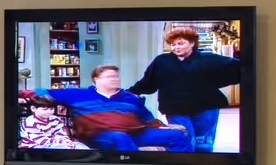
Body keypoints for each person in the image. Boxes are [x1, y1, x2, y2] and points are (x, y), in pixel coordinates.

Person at [129, 26, 241, 152]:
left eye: (180, 43)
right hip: (175, 108)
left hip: (206, 107)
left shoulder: (209, 59)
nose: (176, 47)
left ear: (192, 43)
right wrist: (131, 92)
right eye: (173, 44)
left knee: (203, 143)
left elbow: (238, 68)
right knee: (184, 140)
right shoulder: (161, 61)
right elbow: (148, 82)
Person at [37, 65, 190, 152]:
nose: (114, 79)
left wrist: (162, 126)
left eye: (115, 76)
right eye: (109, 76)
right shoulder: (76, 94)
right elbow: (41, 92)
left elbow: (146, 118)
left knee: (176, 135)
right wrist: (24, 96)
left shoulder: (130, 97)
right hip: (98, 135)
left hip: (134, 133)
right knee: (120, 138)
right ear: (96, 79)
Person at [18, 94, 87, 150]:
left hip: (57, 144)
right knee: (62, 148)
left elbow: (61, 133)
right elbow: (41, 141)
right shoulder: (29, 122)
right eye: (44, 109)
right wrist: (61, 143)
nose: (49, 112)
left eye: (51, 109)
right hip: (35, 147)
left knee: (81, 146)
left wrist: (65, 141)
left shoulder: (55, 119)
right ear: (33, 108)